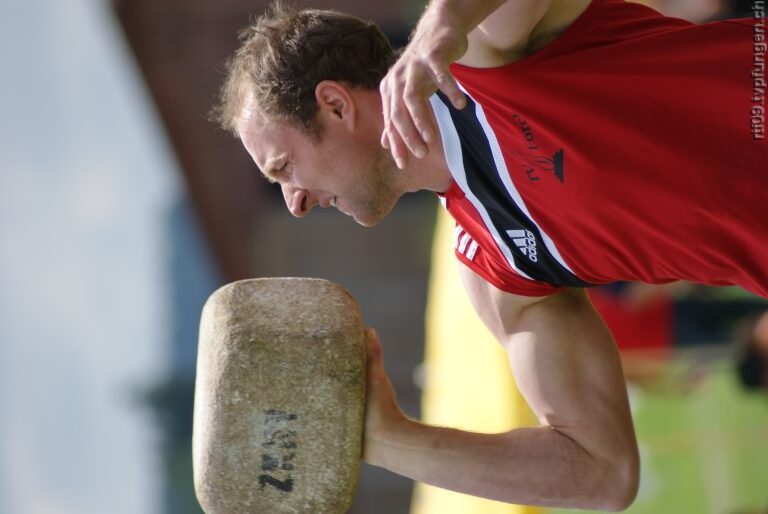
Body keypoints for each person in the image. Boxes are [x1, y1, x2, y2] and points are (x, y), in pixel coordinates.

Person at [211, 0, 766, 510]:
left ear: (335, 105)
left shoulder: (479, 56)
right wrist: (384, 438)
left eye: (284, 167)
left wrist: (446, 18)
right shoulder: (497, 272)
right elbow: (602, 472)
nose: (295, 203)